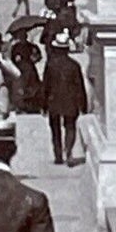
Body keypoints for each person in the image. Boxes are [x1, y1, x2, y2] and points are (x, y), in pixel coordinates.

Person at [42, 32, 89, 167]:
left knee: (55, 128)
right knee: (70, 127)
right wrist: (83, 104)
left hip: (53, 99)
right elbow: (80, 86)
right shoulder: (74, 65)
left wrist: (43, 104)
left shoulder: (50, 65)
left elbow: (45, 85)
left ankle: (58, 154)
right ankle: (68, 152)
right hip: (70, 100)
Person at [9, 29, 44, 114]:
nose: (22, 37)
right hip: (20, 70)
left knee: (33, 88)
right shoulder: (16, 47)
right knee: (21, 88)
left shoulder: (32, 46)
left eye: (24, 35)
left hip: (31, 70)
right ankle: (21, 106)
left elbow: (39, 56)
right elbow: (13, 59)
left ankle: (33, 105)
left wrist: (35, 58)